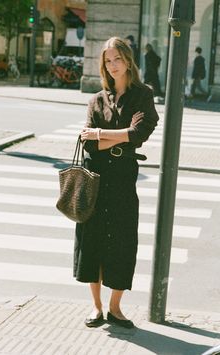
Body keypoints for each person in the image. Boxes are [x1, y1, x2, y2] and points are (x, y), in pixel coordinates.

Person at [74, 36, 159, 329]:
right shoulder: (96, 99)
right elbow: (88, 143)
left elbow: (140, 133)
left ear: (128, 60)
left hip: (123, 180)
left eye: (117, 60)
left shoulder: (142, 95)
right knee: (92, 241)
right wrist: (115, 135)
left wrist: (101, 134)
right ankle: (96, 308)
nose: (112, 66)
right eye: (107, 61)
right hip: (96, 179)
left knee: (122, 242)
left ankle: (115, 308)